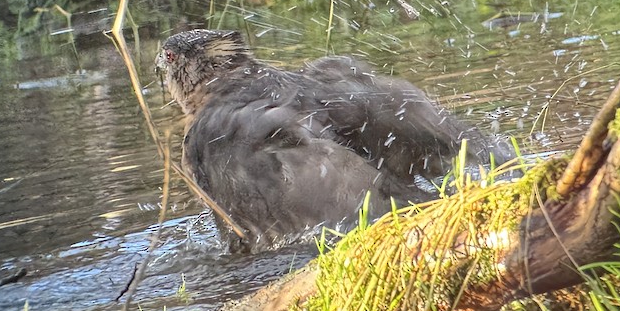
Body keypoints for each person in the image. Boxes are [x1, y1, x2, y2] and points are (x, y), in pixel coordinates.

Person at [156, 29, 513, 249]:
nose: (162, 67)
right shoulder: (319, 81)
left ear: (189, 70)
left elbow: (243, 241)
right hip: (399, 215)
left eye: (169, 60)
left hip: (385, 229)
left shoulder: (212, 136)